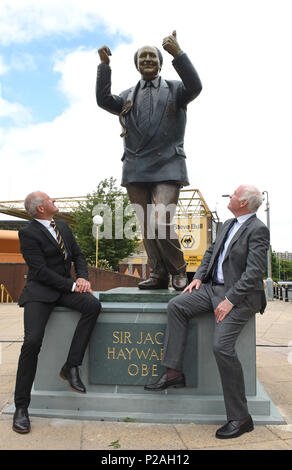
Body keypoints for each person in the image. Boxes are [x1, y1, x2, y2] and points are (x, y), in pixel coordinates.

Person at [144, 185, 270, 439]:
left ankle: (241, 417)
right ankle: (173, 373)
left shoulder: (258, 229)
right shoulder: (226, 224)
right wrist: (198, 278)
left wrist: (231, 300)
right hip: (211, 288)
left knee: (222, 347)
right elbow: (211, 252)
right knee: (177, 305)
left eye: (234, 194)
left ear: (244, 203)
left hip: (239, 297)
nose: (230, 196)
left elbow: (255, 272)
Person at [96, 31, 202, 291]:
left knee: (161, 221)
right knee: (146, 226)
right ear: (136, 64)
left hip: (168, 165)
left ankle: (178, 270)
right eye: (142, 56)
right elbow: (103, 100)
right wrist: (104, 67)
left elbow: (195, 86)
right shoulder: (127, 95)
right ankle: (158, 273)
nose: (147, 59)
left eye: (152, 56)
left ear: (160, 61)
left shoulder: (176, 89)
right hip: (135, 166)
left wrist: (178, 53)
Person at [13, 191, 101, 434]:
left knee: (92, 306)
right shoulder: (28, 233)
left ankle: (71, 366)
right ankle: (21, 407)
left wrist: (82, 277)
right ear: (41, 208)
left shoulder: (62, 226)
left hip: (63, 288)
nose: (55, 201)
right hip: (40, 292)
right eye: (50, 199)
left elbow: (78, 255)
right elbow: (39, 271)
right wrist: (73, 285)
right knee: (31, 342)